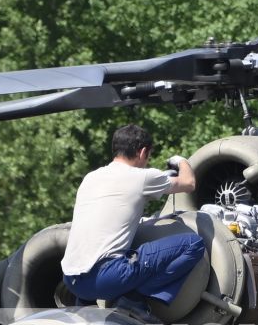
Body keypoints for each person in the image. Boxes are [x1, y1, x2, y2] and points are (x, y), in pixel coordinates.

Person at [60, 124, 201, 308]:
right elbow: (188, 183)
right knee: (193, 244)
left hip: (71, 281)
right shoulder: (143, 177)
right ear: (142, 152)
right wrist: (182, 161)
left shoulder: (91, 177)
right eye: (148, 156)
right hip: (104, 278)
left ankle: (87, 310)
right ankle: (133, 300)